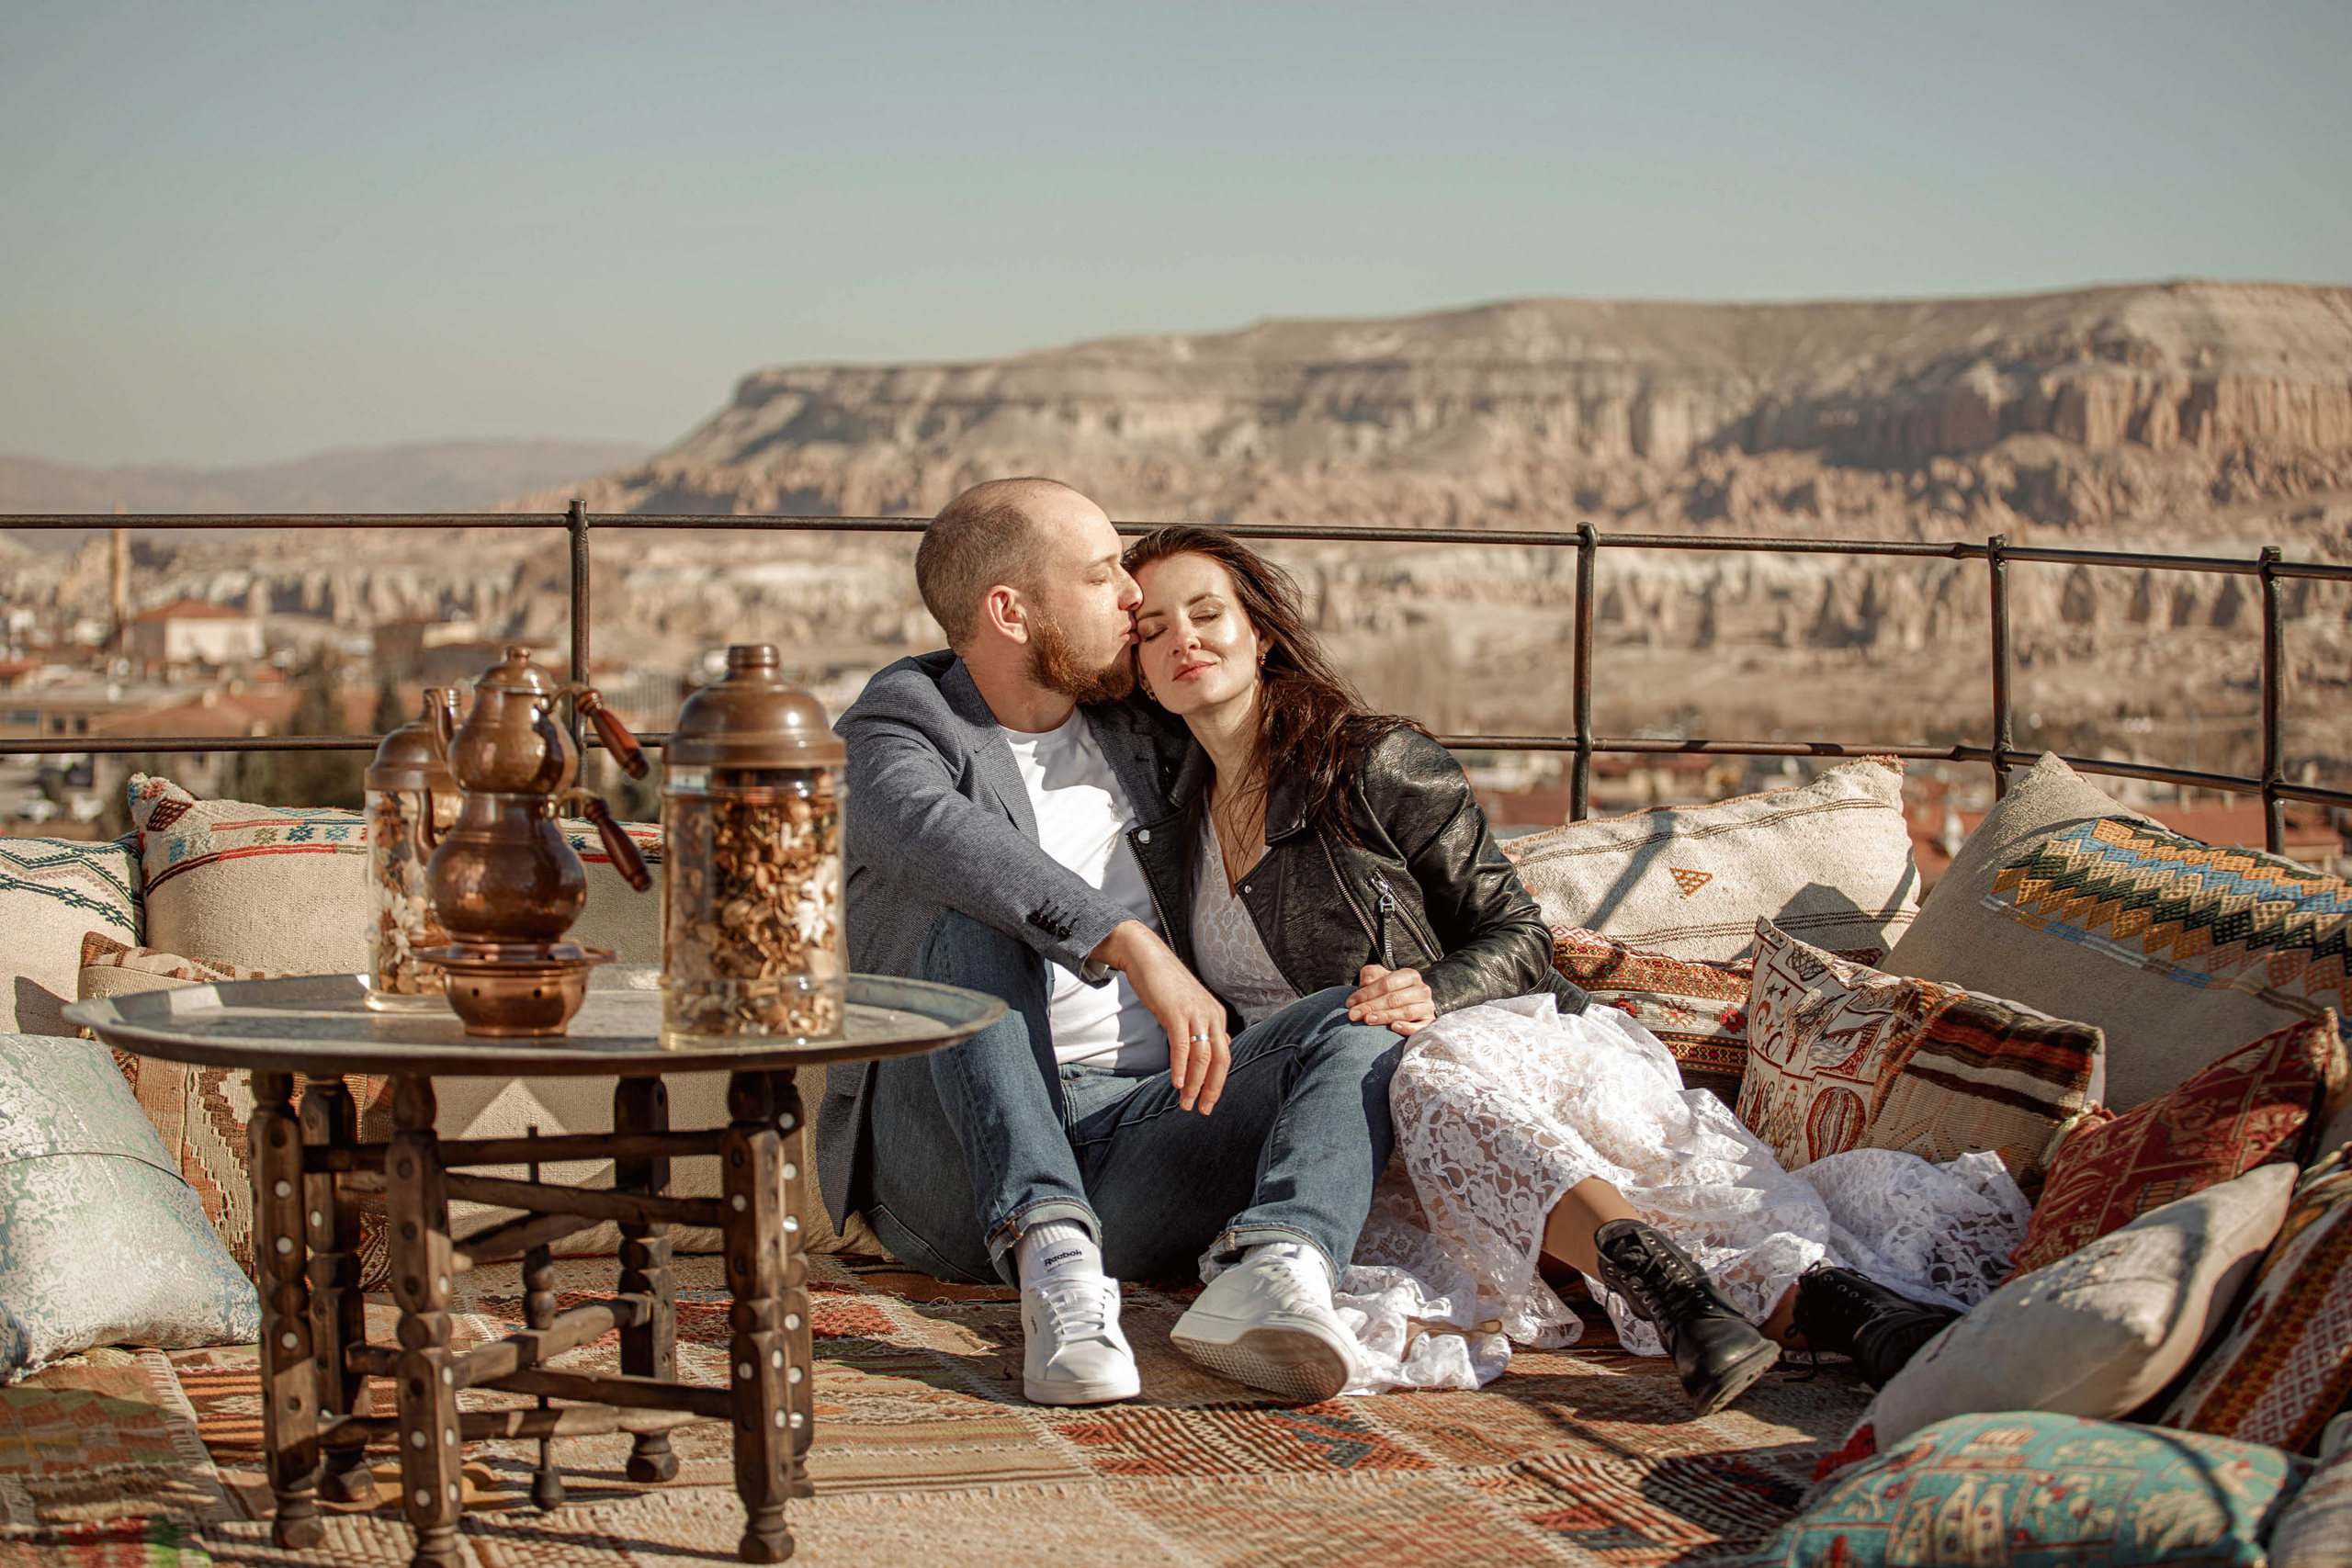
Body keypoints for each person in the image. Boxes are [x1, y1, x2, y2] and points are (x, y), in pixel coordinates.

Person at [1123, 525, 2012, 1416]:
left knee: (1434, 1067)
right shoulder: (1167, 823)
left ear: (1262, 633)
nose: (1183, 641)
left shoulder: (1370, 762)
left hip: (1510, 1043)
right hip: (1358, 1117)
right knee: (1430, 1107)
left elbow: (1514, 933)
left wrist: (1432, 990)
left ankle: (1681, 1294)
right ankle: (1842, 1311)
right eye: (1153, 629)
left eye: (1207, 614)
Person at [818, 478, 1405, 1410]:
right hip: (947, 1173)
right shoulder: (901, 723)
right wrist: (1127, 942)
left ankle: (1278, 1270)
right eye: (1102, 576)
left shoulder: (1140, 731)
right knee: (979, 905)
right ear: (1009, 611)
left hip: (1140, 1133)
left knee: (1360, 1019)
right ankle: (1052, 1262)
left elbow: (1263, 728)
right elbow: (933, 832)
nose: (1133, 596)